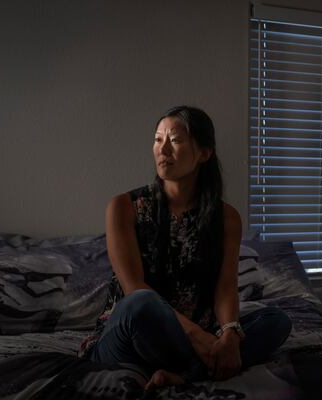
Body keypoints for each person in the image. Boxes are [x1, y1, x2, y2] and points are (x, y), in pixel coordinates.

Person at [78, 105, 292, 390]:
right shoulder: (123, 208)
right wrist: (199, 337)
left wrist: (228, 334)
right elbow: (133, 287)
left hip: (190, 339)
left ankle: (184, 375)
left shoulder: (226, 218)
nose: (163, 149)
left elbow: (226, 287)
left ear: (204, 153)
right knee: (141, 303)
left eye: (175, 140)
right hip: (131, 335)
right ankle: (200, 366)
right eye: (158, 139)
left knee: (276, 321)